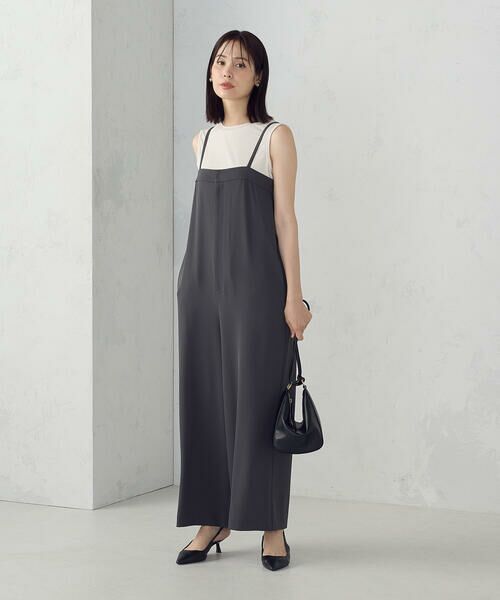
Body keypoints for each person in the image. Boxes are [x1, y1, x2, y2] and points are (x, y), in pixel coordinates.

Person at [175, 30, 312, 571]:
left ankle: (272, 526)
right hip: (200, 288)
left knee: (257, 402)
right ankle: (213, 518)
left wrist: (294, 297)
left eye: (240, 63)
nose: (227, 71)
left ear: (258, 76)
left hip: (257, 288)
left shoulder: (274, 136)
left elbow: (285, 221)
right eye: (219, 61)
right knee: (205, 403)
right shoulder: (201, 140)